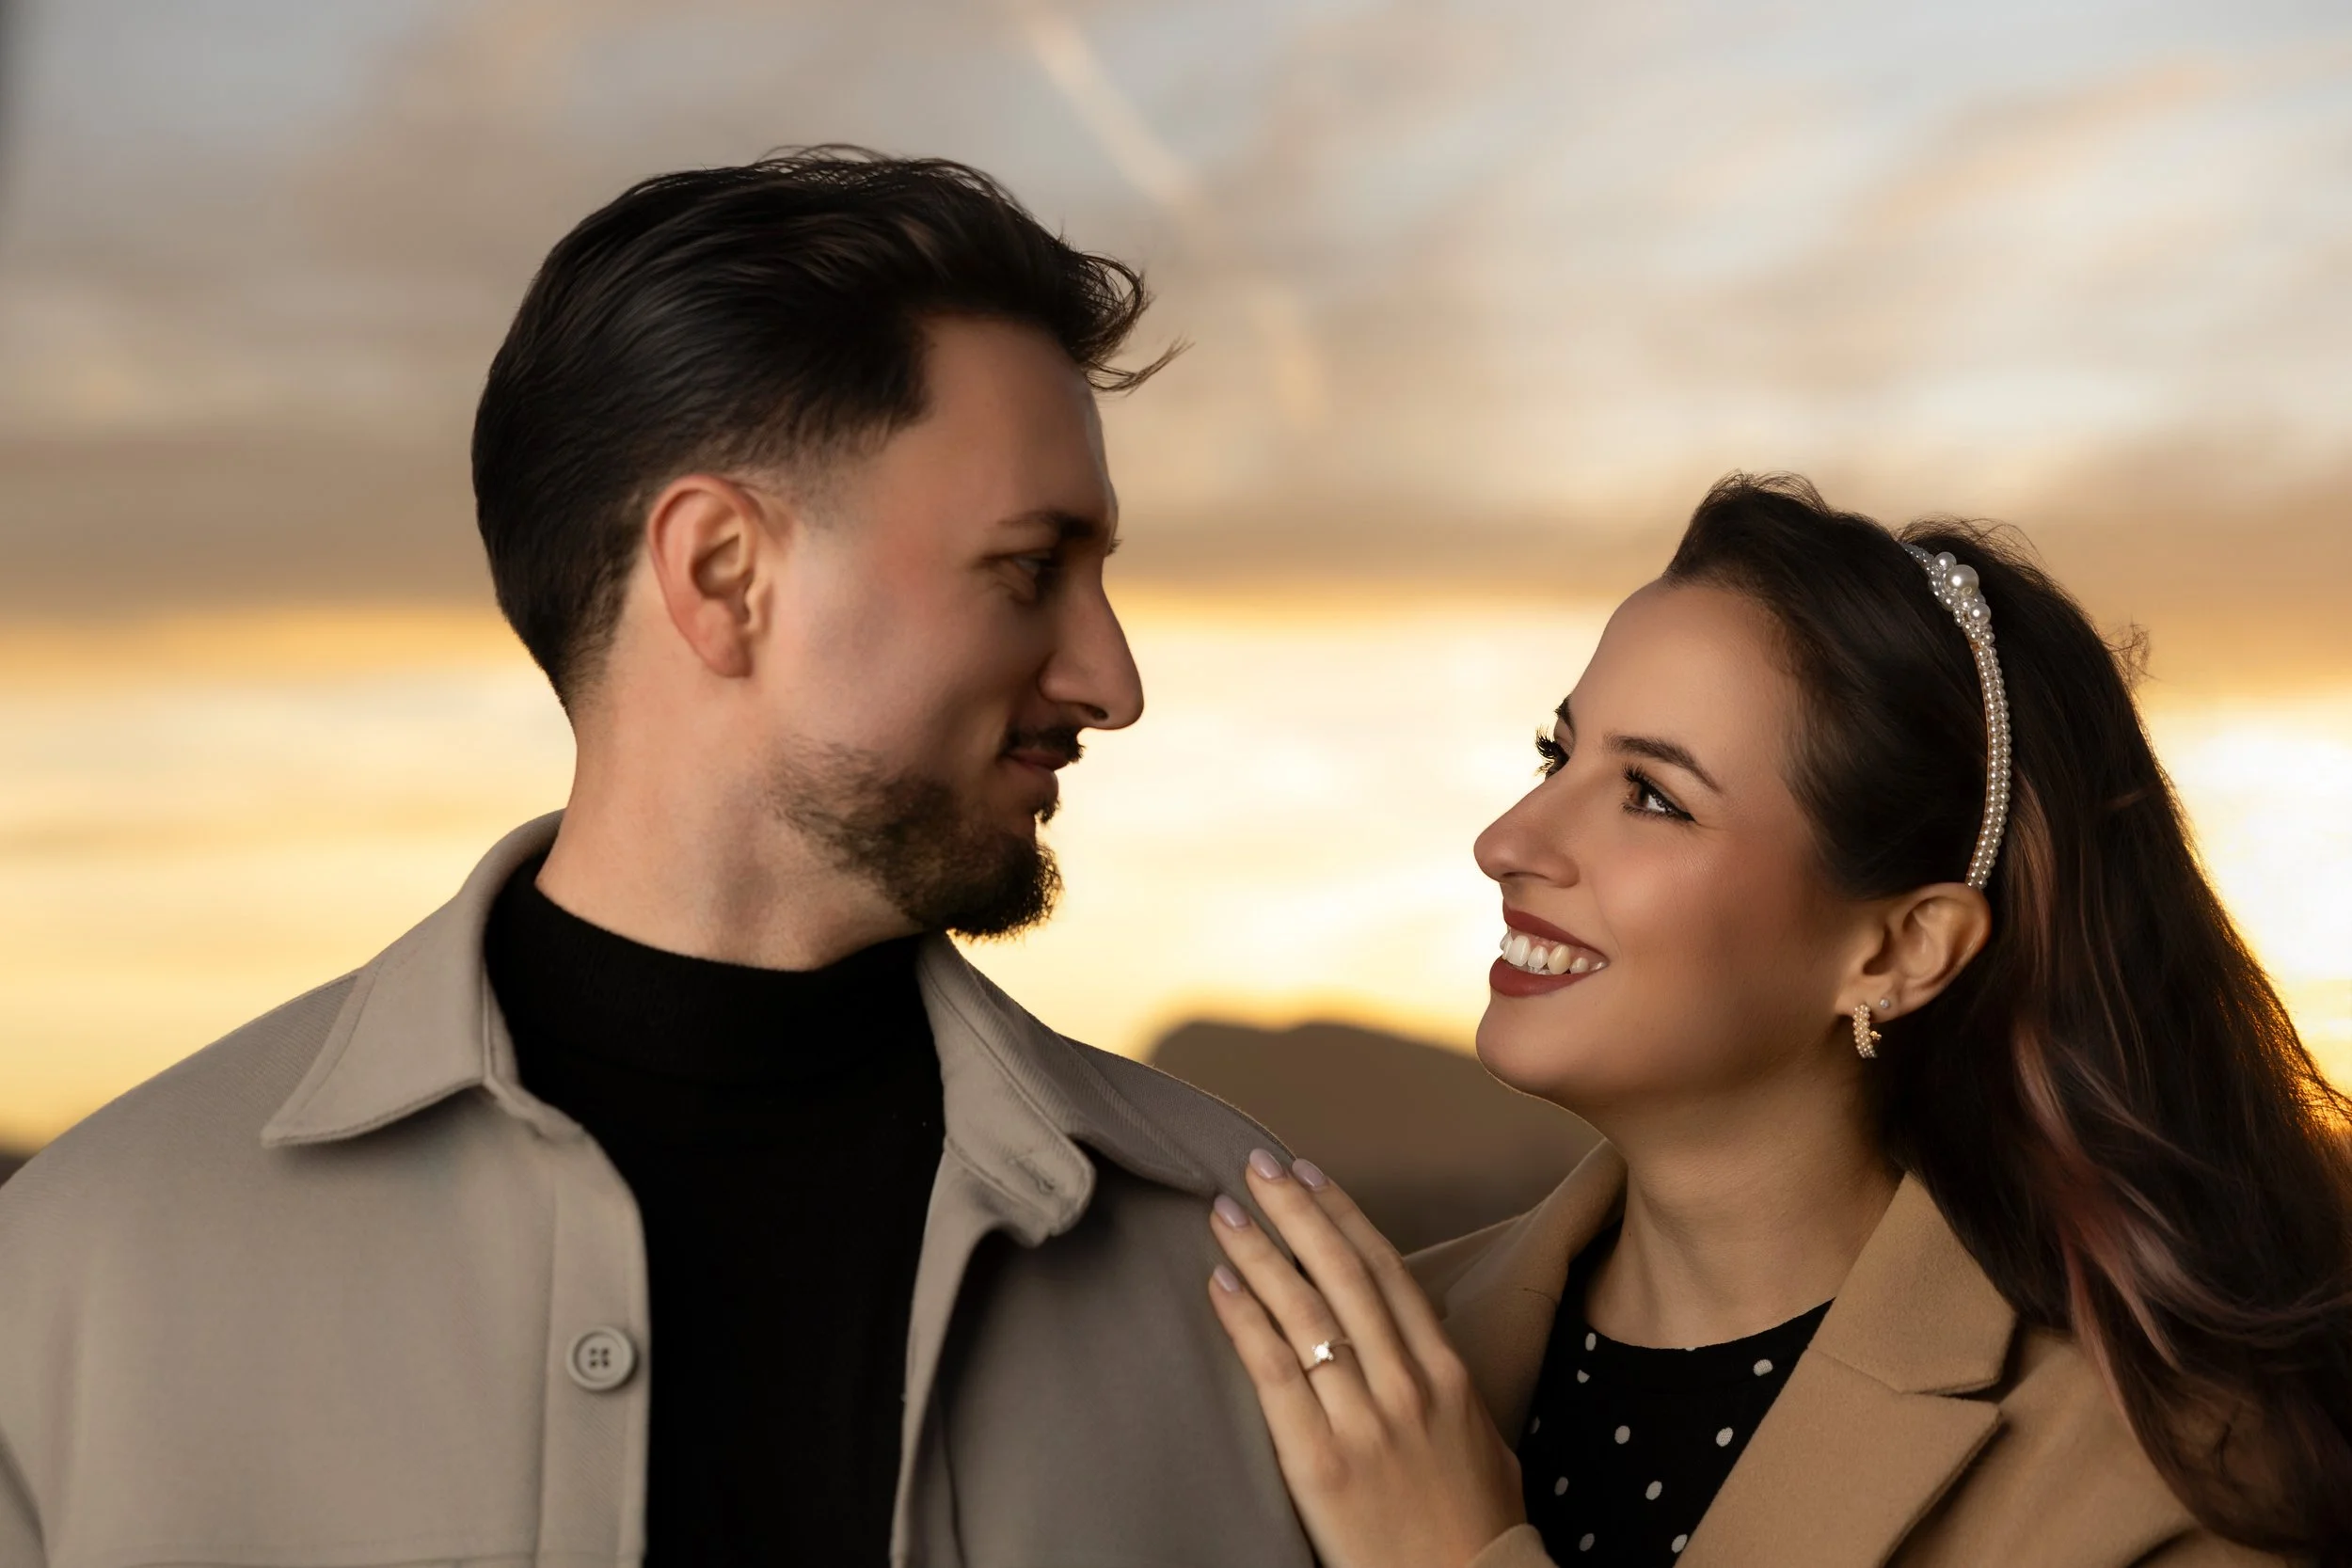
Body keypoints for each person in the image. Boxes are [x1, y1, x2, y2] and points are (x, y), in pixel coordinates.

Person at [0, 150, 1317, 1568]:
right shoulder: (76, 1276)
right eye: (1027, 567)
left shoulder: (1258, 1269)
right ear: (721, 577)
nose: (1112, 678)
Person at [1202, 475, 2352, 1567]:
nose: (1506, 838)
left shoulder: (2165, 1479)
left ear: (1898, 949)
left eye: (1652, 795)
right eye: (1557, 751)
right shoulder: (1363, 1356)